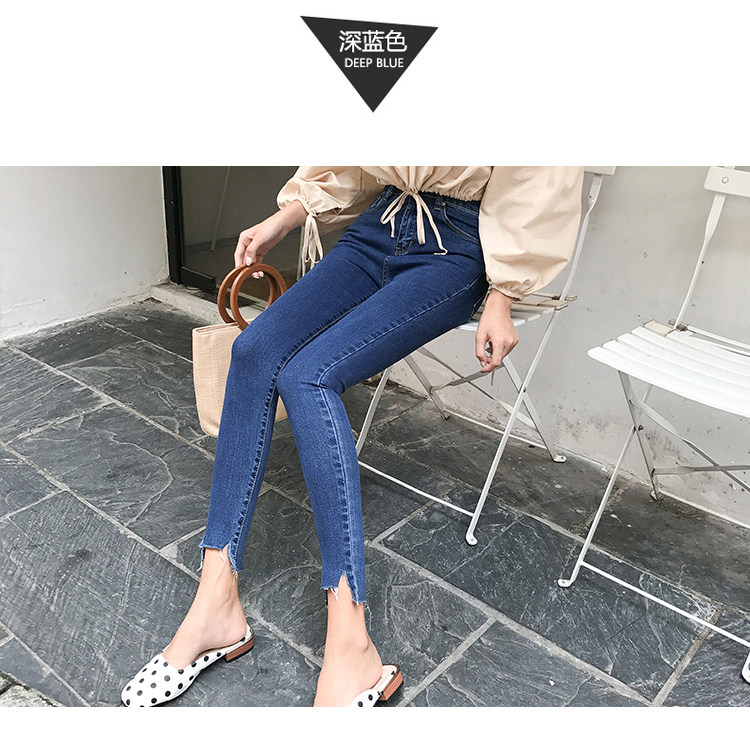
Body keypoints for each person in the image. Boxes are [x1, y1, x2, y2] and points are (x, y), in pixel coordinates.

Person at [121, 166, 585, 708]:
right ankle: (215, 600)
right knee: (253, 351)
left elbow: (539, 173)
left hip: (458, 246)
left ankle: (352, 642)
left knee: (307, 376)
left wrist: (503, 295)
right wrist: (286, 217)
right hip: (380, 222)